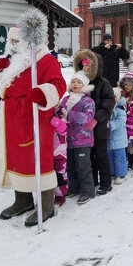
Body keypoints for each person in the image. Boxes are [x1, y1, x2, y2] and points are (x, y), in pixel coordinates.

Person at [0, 25, 66, 226]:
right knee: (16, 157)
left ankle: (46, 206)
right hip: (10, 117)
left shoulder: (45, 59)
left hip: (34, 115)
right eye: (11, 41)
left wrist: (42, 93)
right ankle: (23, 200)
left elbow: (58, 85)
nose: (12, 44)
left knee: (37, 157)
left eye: (16, 41)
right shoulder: (14, 61)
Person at [73, 49, 114, 196]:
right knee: (88, 156)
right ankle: (92, 181)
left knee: (101, 155)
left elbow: (109, 102)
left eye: (88, 66)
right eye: (83, 66)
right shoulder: (79, 82)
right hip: (83, 130)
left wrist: (96, 117)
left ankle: (105, 183)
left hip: (99, 126)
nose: (86, 69)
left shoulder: (103, 83)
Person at [58, 72, 96, 205]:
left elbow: (87, 118)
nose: (75, 84)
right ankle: (74, 188)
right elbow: (60, 114)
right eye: (73, 81)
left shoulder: (88, 101)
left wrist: (68, 114)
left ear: (84, 86)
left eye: (79, 82)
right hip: (68, 139)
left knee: (83, 166)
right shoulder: (65, 100)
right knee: (70, 166)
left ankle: (88, 191)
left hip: (83, 139)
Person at [108, 88, 128, 185]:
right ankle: (112, 172)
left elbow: (121, 122)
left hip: (118, 138)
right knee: (110, 157)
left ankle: (121, 174)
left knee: (119, 157)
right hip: (109, 139)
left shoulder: (120, 110)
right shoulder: (107, 108)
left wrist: (111, 125)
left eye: (114, 96)